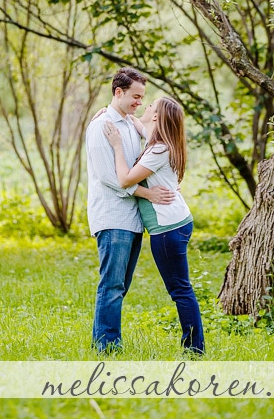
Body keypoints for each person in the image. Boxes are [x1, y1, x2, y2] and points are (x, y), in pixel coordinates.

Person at [103, 96, 205, 354]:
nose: (146, 107)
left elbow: (125, 180)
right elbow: (137, 122)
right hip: (175, 223)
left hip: (168, 229)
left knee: (180, 289)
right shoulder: (157, 141)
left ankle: (195, 348)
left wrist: (116, 146)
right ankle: (194, 346)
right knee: (180, 287)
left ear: (158, 117)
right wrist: (107, 111)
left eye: (151, 106)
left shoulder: (159, 150)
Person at [85, 67, 175, 353]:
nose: (139, 101)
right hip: (112, 216)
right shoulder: (102, 126)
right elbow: (109, 177)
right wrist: (148, 193)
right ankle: (107, 348)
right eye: (135, 96)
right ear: (118, 92)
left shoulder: (127, 123)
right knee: (111, 285)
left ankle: (107, 342)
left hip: (132, 219)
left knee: (120, 286)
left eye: (142, 97)